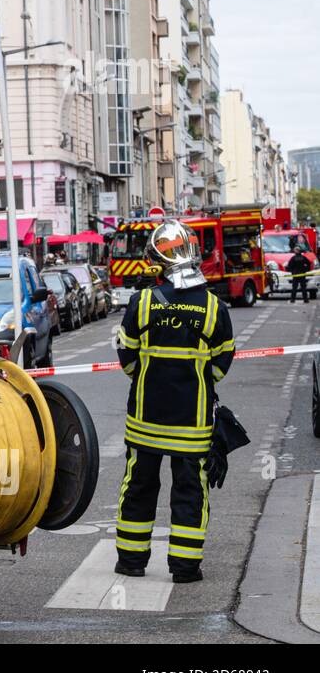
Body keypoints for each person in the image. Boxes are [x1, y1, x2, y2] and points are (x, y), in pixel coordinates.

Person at [113, 219, 234, 583]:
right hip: (192, 424)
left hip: (145, 421)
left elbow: (128, 359)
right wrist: (194, 382)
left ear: (158, 263)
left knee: (138, 487)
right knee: (190, 490)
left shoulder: (143, 302)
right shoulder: (214, 308)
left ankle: (132, 561)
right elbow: (221, 364)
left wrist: (151, 377)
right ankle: (184, 567)